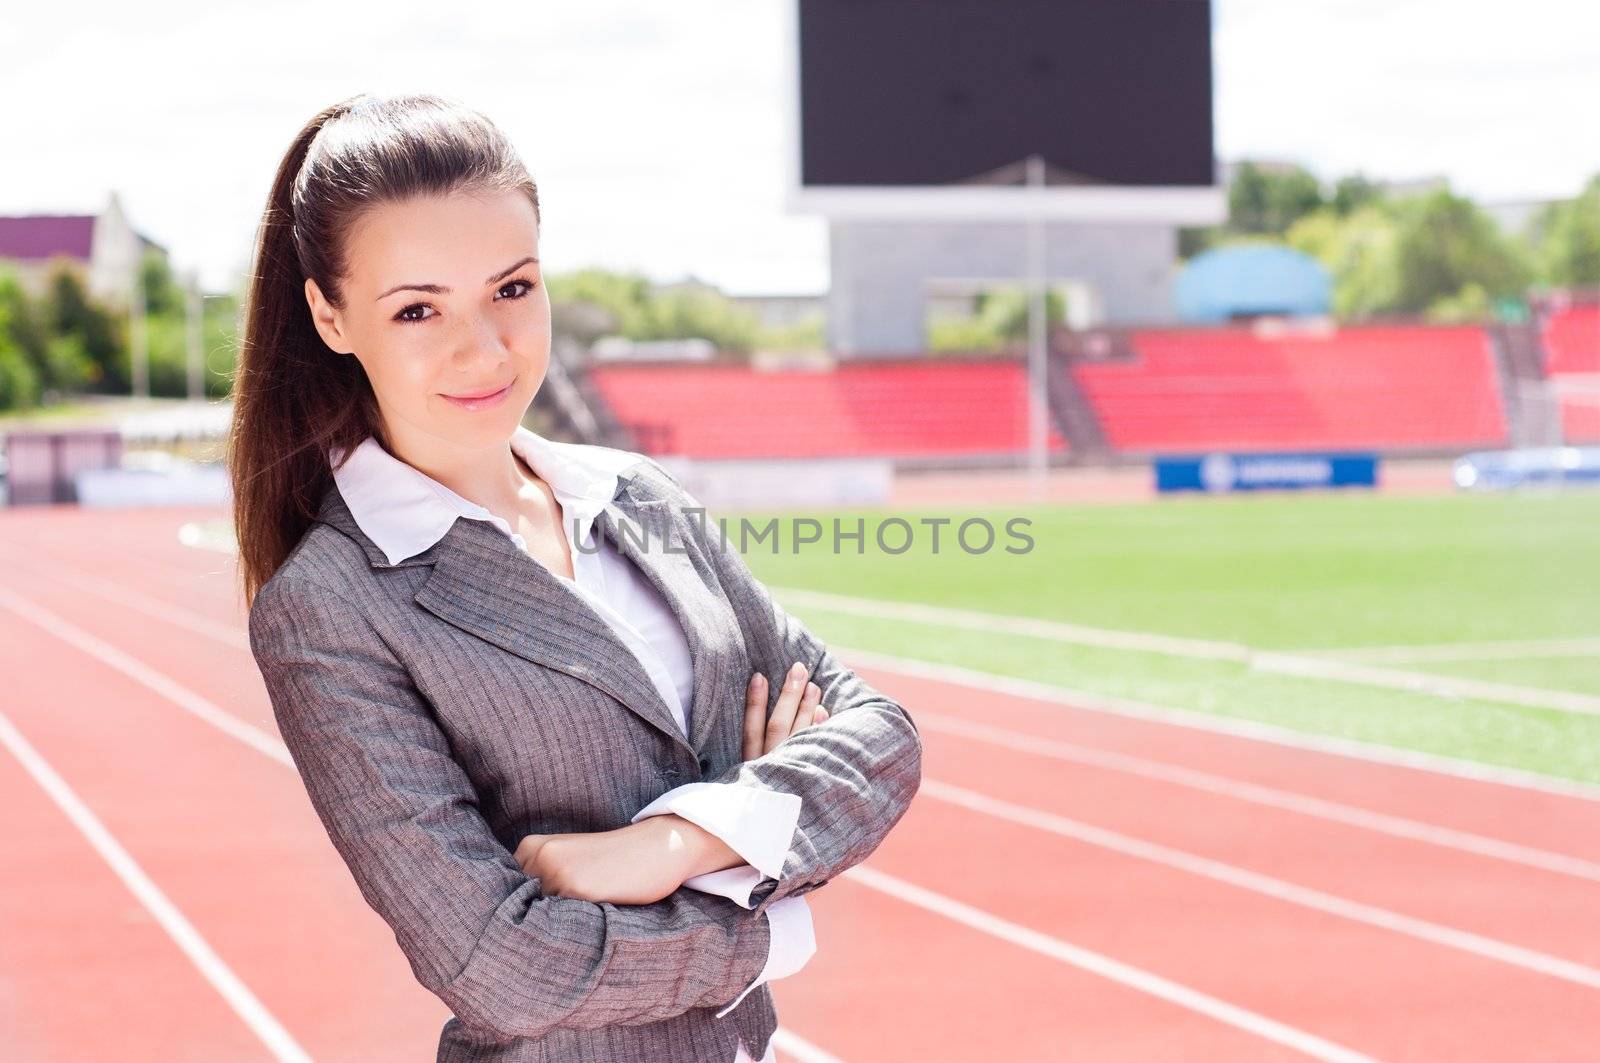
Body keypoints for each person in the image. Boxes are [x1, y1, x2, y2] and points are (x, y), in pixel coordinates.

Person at [228, 92, 923, 1062]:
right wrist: (767, 913)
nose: (485, 348)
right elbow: (504, 967)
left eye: (511, 288)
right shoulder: (331, 605)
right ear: (330, 316)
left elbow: (881, 739)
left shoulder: (636, 498)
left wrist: (673, 845)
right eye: (419, 308)